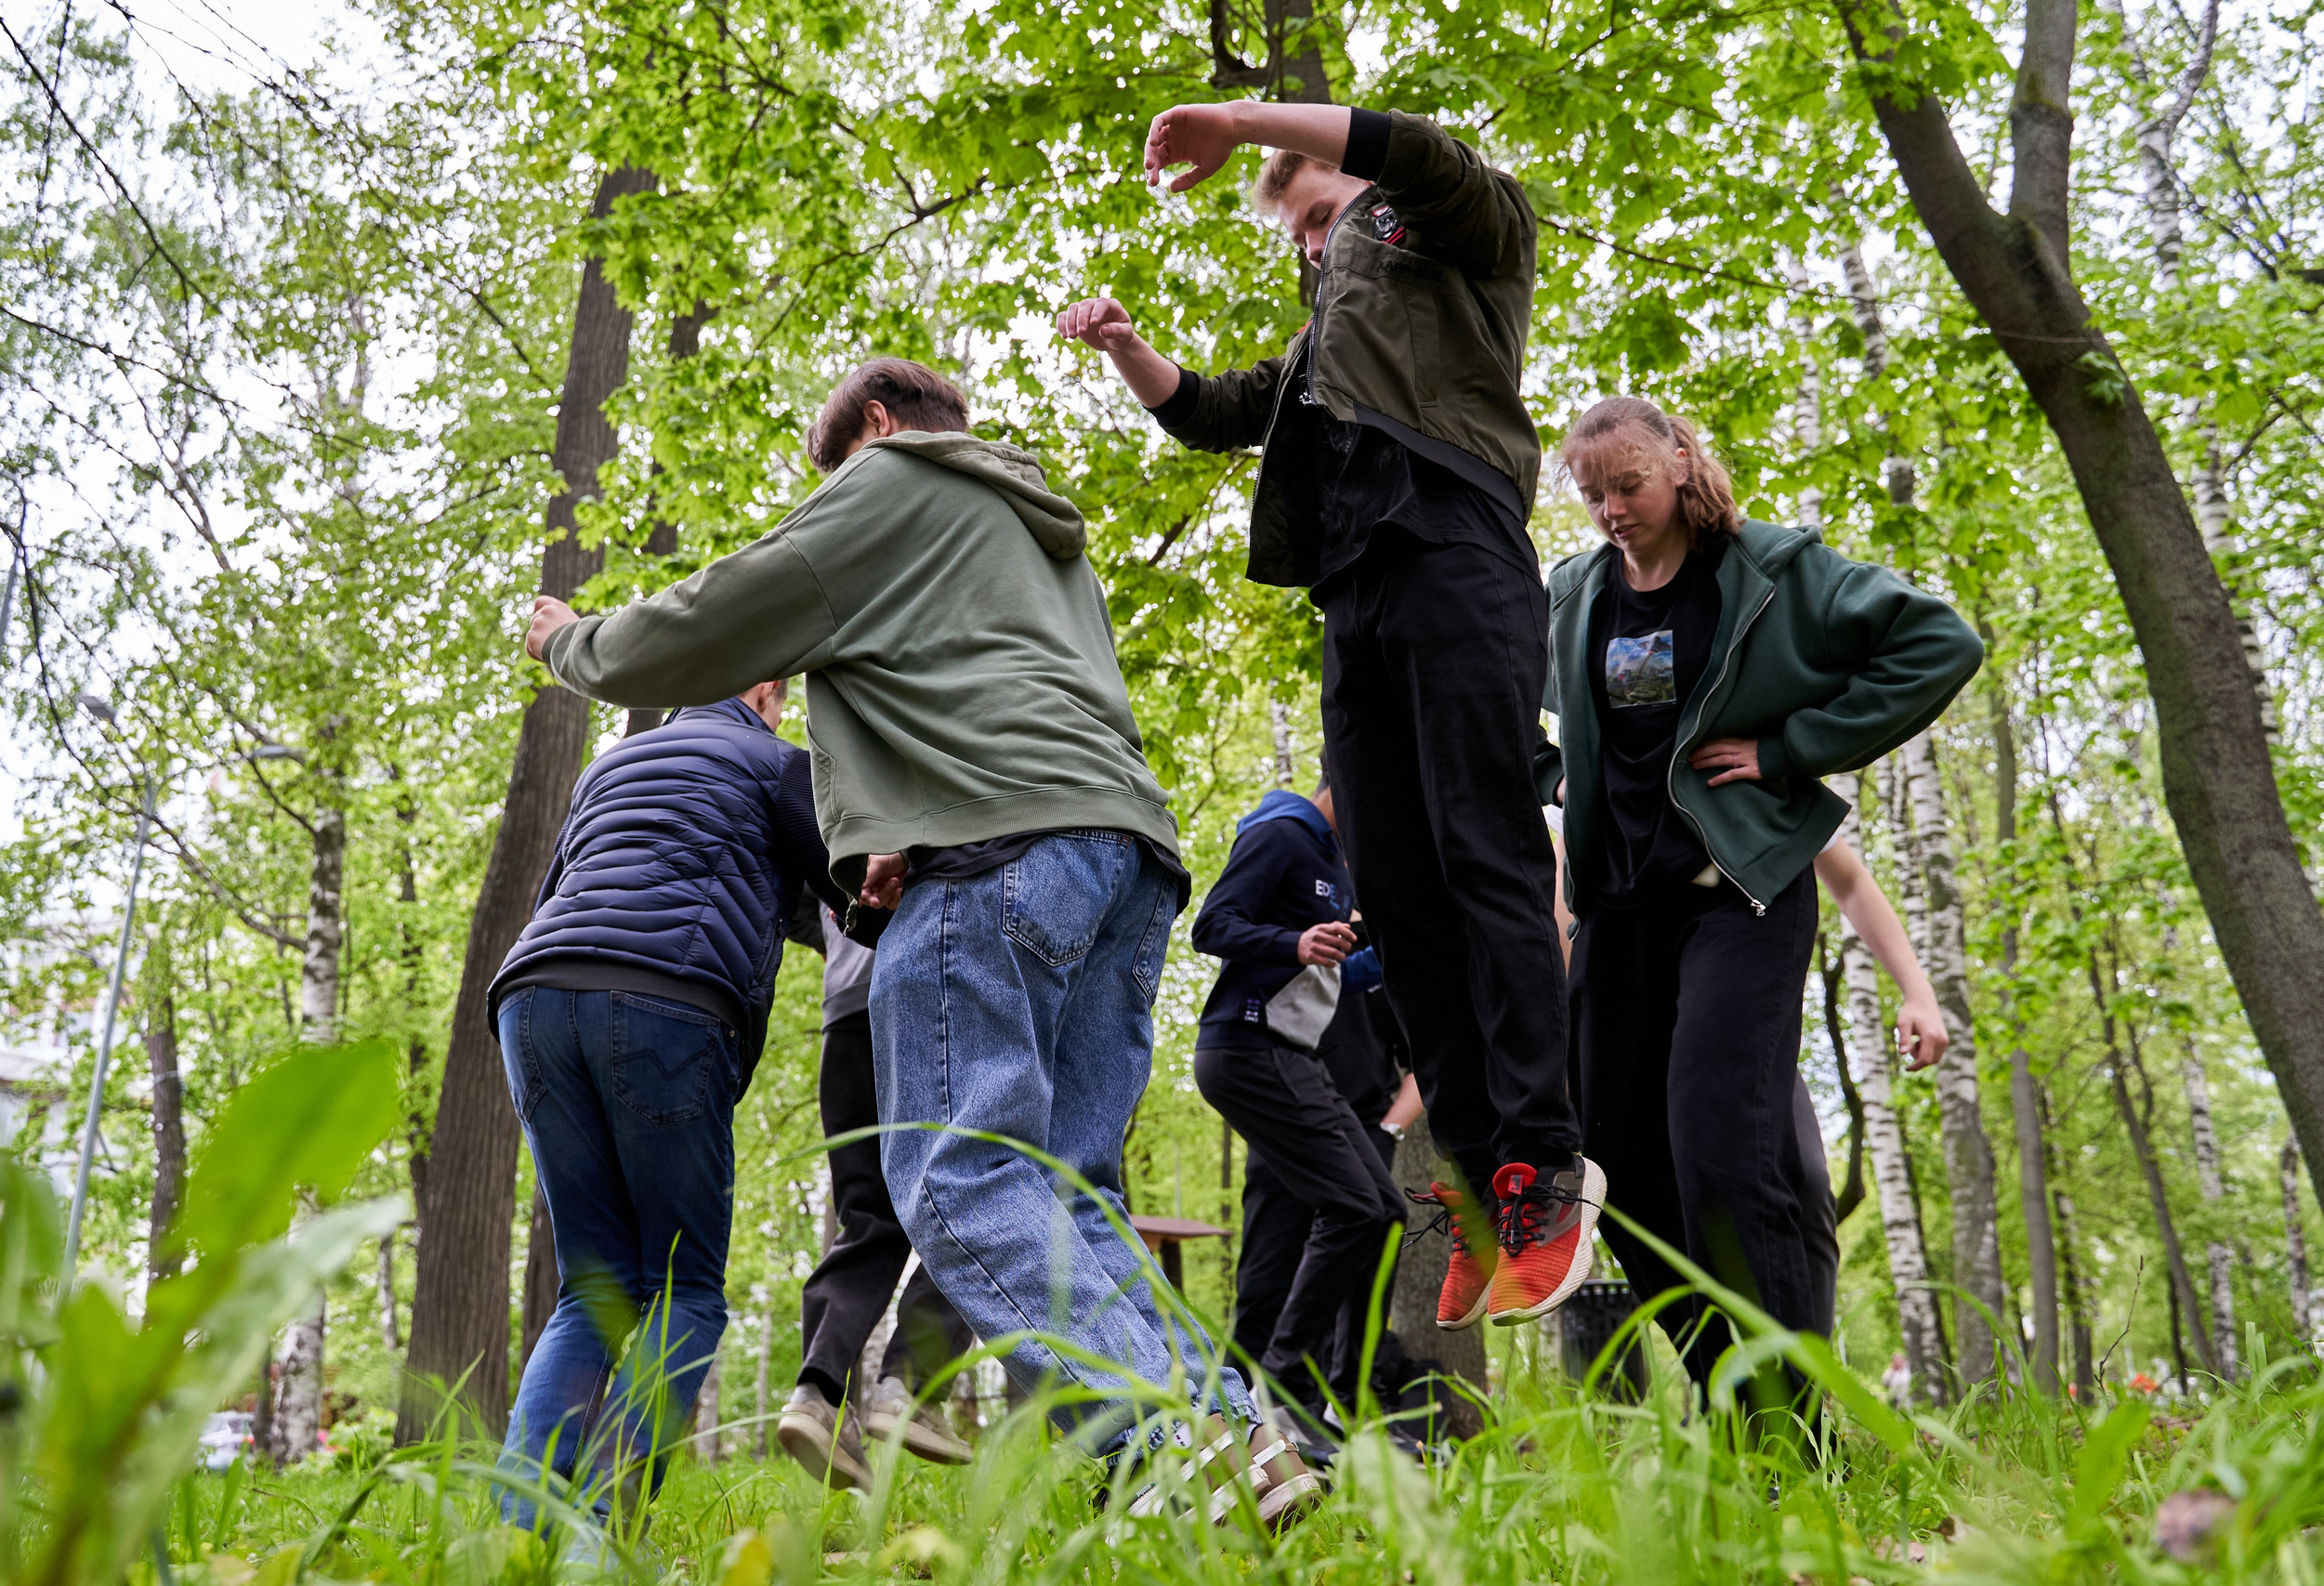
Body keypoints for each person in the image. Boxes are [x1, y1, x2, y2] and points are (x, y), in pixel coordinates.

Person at [523, 359, 1312, 1520]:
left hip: (993, 857)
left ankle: (1162, 1443)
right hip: (1118, 851)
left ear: (879, 428)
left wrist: (570, 643)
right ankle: (1244, 1449)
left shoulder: (888, 480)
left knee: (954, 1175)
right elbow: (973, 689)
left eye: (830, 470)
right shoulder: (1033, 527)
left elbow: (708, 622)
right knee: (1069, 1191)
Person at [1057, 98, 1595, 1333]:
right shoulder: (1321, 351)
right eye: (1295, 233)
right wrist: (1128, 345)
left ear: (1365, 201)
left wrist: (1241, 128)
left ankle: (1544, 1157)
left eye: (1321, 214)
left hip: (1456, 550)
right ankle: (1478, 1170)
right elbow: (1211, 409)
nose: (1311, 244)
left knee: (1485, 852)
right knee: (1398, 896)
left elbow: (1414, 153)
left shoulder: (1464, 232)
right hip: (1355, 597)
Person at [1534, 395, 1978, 1409]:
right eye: (1591, 492)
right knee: (1622, 1169)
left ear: (1682, 463)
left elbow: (1936, 643)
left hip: (1738, 897)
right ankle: (1742, 1403)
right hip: (1619, 911)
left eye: (1628, 483)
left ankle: (1792, 1434)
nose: (1610, 508)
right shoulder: (1572, 593)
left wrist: (1793, 750)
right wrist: (1550, 779)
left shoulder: (1775, 573)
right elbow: (1508, 706)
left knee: (1719, 1150)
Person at [487, 680, 848, 1531]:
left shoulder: (608, 768)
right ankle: (598, 1533)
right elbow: (849, 892)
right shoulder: (773, 762)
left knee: (593, 1290)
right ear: (764, 691)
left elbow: (564, 894)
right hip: (668, 1002)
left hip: (533, 1000)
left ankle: (514, 1532)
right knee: (685, 1289)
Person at [1189, 780, 1409, 1431]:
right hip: (1248, 1046)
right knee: (1350, 1205)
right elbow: (1212, 925)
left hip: (1293, 1054)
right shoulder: (1279, 833)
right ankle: (1280, 1392)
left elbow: (1337, 973)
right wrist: (1295, 942)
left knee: (1384, 1209)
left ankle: (1332, 1395)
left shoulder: (1336, 861)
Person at [775, 901, 977, 1490]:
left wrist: (844, 932)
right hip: (930, 996)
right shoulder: (928, 806)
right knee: (970, 1195)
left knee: (866, 1218)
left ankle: (816, 1393)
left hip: (845, 1016)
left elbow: (796, 907)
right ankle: (908, 1386)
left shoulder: (827, 813)